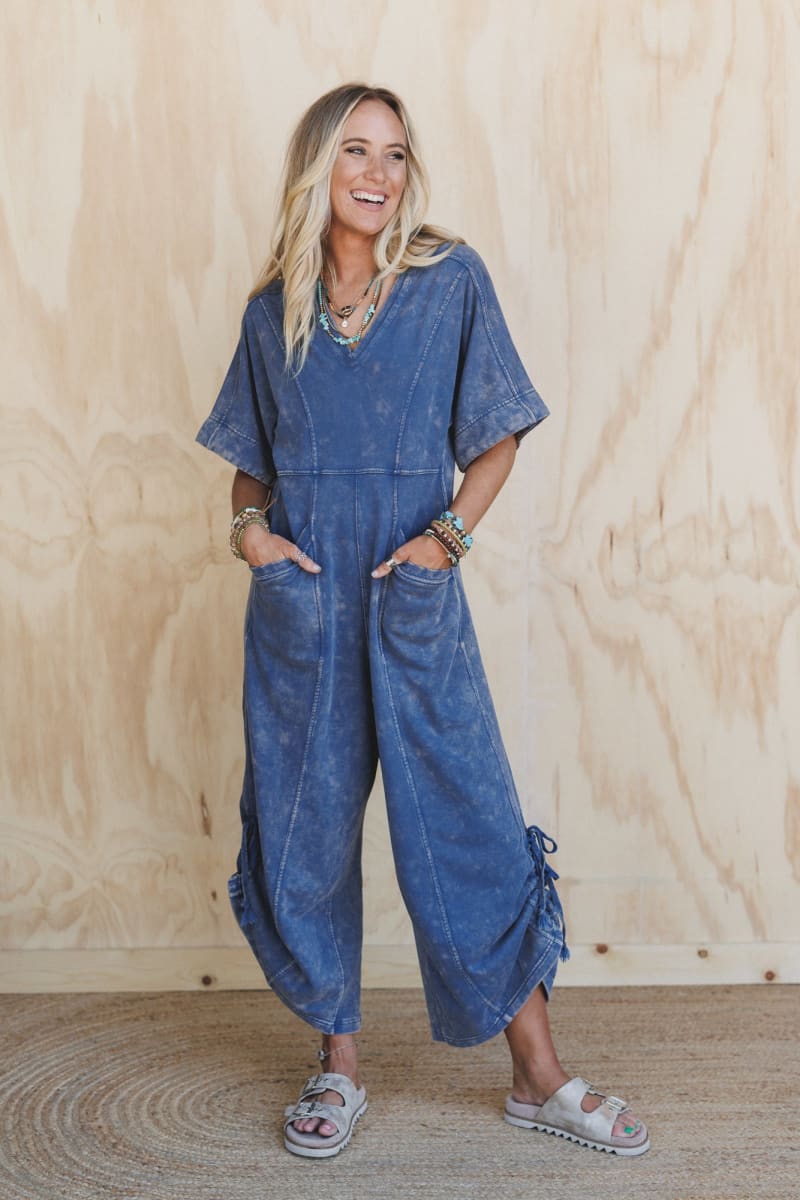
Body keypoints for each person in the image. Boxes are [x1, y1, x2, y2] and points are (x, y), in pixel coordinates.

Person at [196, 82, 649, 1160]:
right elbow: (249, 465)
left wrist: (447, 538)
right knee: (306, 830)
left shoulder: (448, 282)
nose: (377, 174)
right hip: (306, 603)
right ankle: (337, 1066)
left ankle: (538, 1075)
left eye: (395, 154)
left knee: (466, 823)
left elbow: (497, 435)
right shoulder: (271, 312)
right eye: (355, 151)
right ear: (318, 167)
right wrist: (251, 536)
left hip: (409, 594)